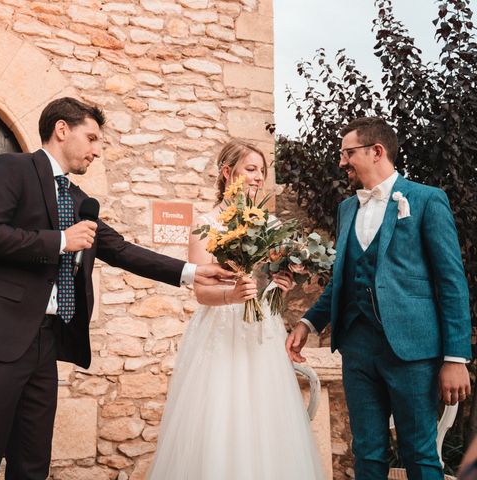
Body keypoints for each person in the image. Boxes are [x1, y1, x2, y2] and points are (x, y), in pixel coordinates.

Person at [0, 97, 233, 480]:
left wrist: (193, 272)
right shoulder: (13, 168)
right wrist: (59, 241)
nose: (96, 151)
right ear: (62, 129)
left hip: (45, 343)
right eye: (91, 139)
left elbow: (122, 250)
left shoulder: (77, 200)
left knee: (32, 465)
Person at [286, 117, 472, 479]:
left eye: (348, 152)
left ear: (376, 151)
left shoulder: (426, 200)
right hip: (357, 350)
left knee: (419, 454)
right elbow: (343, 278)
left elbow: (452, 283)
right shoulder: (346, 209)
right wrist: (308, 322)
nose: (341, 162)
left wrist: (455, 357)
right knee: (367, 452)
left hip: (413, 352)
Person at [147, 140, 325, 479]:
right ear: (228, 173)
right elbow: (201, 291)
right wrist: (233, 295)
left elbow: (268, 291)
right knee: (219, 415)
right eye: (250, 169)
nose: (259, 178)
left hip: (262, 334)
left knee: (265, 420)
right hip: (219, 333)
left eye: (262, 171)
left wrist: (277, 290)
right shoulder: (207, 225)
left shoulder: (271, 227)